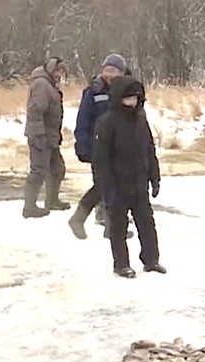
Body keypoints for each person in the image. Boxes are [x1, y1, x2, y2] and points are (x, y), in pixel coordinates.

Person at [93, 75, 165, 278]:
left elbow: (149, 151)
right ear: (118, 98)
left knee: (147, 223)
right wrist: (106, 187)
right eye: (128, 99)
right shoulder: (107, 122)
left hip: (139, 182)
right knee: (118, 227)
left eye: (135, 98)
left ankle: (151, 260)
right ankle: (121, 264)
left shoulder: (141, 120)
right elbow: (101, 159)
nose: (132, 102)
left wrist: (155, 177)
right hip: (117, 184)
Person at [68, 53, 128, 240]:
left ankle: (112, 228)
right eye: (107, 70)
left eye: (114, 71)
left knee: (117, 188)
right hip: (98, 147)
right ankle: (79, 218)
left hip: (120, 148)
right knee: (103, 185)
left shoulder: (126, 91)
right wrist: (82, 145)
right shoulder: (92, 92)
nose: (109, 74)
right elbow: (83, 121)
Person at [22, 56, 68, 219]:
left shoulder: (50, 85)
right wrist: (38, 134)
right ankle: (29, 207)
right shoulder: (42, 84)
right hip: (40, 135)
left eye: (61, 71)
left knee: (57, 169)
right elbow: (35, 111)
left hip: (50, 135)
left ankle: (52, 200)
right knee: (38, 171)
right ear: (50, 69)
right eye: (57, 70)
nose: (59, 74)